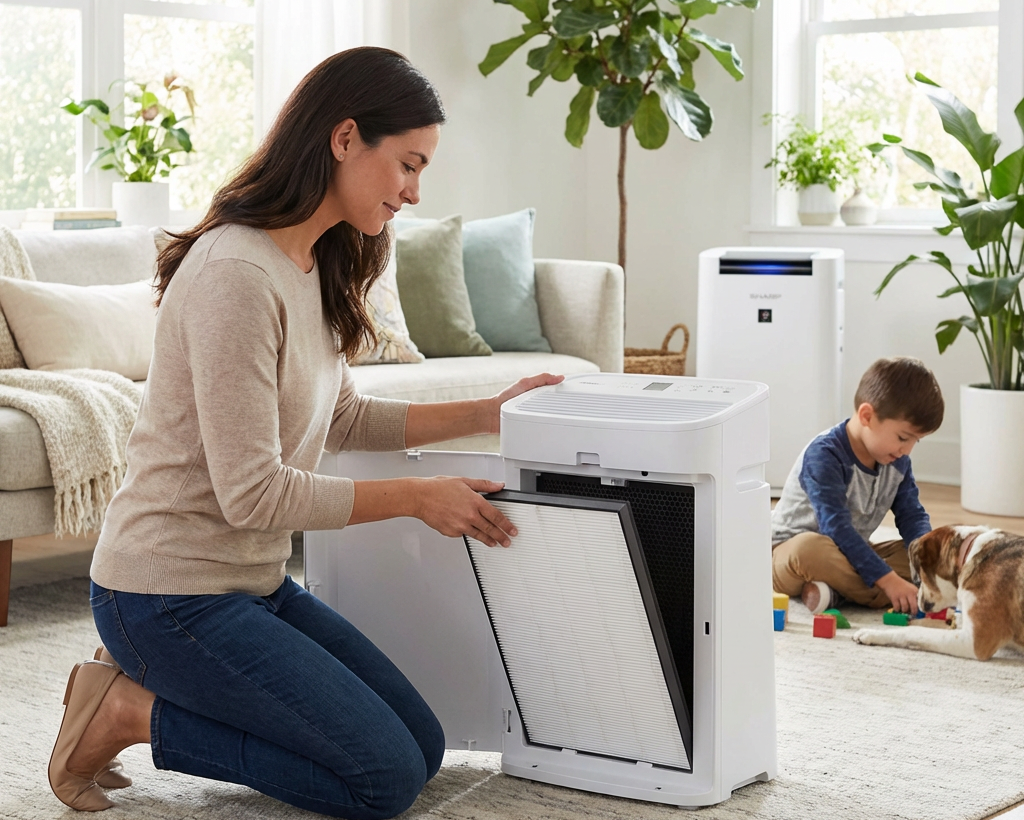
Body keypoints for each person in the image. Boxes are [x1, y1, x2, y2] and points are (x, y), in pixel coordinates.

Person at [47, 47, 562, 818]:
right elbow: (254, 494)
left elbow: (346, 414)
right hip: (164, 597)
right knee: (380, 782)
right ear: (346, 137)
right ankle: (128, 711)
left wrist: (492, 411)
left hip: (251, 584)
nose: (415, 192)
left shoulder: (314, 260)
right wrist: (418, 497)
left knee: (420, 747)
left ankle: (140, 700)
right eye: (408, 165)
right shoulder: (235, 275)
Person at [771, 356, 944, 616]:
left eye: (915, 442)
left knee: (925, 552)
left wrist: (926, 562)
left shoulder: (897, 460)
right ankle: (892, 593)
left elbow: (911, 514)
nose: (907, 450)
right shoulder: (825, 454)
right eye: (902, 437)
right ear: (867, 416)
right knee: (809, 548)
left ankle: (836, 593)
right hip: (790, 558)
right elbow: (836, 528)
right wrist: (889, 580)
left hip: (849, 554)